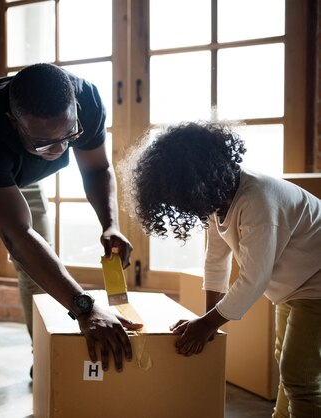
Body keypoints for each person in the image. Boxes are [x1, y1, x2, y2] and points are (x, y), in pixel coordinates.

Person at [0, 63, 142, 418]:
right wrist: (84, 308)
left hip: (19, 175)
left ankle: (47, 359)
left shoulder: (88, 99)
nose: (58, 149)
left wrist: (110, 224)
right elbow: (17, 235)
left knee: (41, 274)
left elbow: (97, 168)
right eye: (43, 141)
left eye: (68, 135)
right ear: (12, 121)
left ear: (75, 109)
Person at [123, 121, 321, 418]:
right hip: (296, 287)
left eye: (179, 197)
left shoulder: (257, 201)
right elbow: (216, 261)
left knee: (299, 375)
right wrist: (207, 321)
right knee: (288, 365)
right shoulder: (220, 200)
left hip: (316, 283)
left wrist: (206, 325)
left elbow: (254, 278)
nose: (181, 207)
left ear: (195, 183)